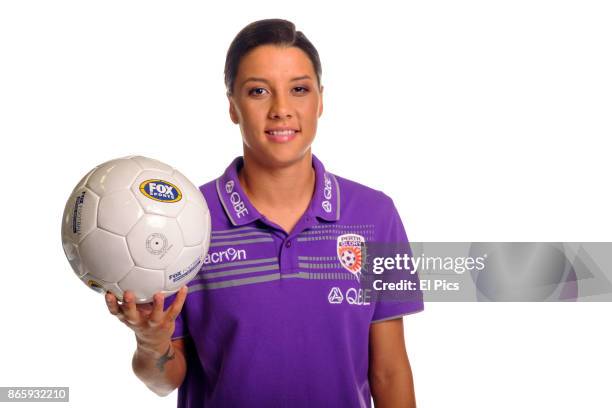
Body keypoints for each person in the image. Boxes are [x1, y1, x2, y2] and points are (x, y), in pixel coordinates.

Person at [105, 18, 424, 408]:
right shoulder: (185, 222)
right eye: (258, 91)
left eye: (299, 90)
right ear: (232, 106)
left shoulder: (374, 216)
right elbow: (163, 380)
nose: (282, 109)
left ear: (320, 100)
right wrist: (151, 341)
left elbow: (389, 372)